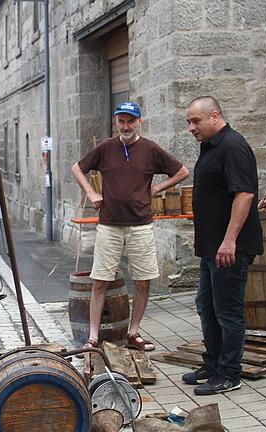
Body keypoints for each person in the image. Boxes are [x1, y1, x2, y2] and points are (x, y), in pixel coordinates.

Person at [71, 101, 189, 352]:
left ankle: (133, 333)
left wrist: (156, 188)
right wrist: (91, 192)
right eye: (121, 121)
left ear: (139, 122)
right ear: (116, 122)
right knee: (100, 281)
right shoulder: (105, 147)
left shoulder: (150, 149)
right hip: (110, 225)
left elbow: (182, 172)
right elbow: (77, 168)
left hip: (141, 225)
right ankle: (93, 338)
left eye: (130, 121)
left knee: (143, 281)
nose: (125, 126)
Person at [182, 96, 263, 395]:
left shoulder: (232, 145)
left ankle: (229, 373)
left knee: (228, 312)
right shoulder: (211, 146)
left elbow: (243, 195)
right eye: (189, 122)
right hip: (211, 247)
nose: (191, 127)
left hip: (229, 248)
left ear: (214, 116)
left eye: (195, 121)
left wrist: (229, 240)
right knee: (206, 305)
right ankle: (213, 364)